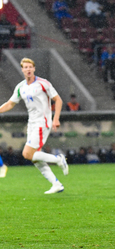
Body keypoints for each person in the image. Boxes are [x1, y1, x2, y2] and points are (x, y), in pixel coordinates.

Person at [0, 58, 69, 194]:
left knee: (27, 153)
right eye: (25, 67)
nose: (28, 69)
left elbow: (58, 100)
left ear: (34, 69)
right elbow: (10, 103)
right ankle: (56, 184)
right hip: (32, 124)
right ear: (22, 70)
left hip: (42, 122)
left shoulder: (43, 83)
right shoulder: (21, 87)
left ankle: (58, 159)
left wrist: (56, 118)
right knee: (33, 157)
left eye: (30, 67)